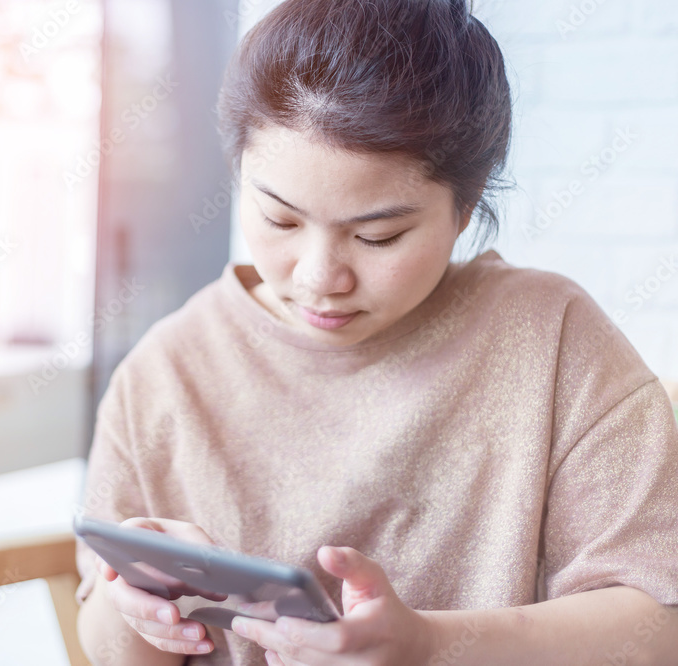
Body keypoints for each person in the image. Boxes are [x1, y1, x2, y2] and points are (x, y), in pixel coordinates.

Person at [74, 0, 678, 664]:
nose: (318, 276)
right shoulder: (166, 371)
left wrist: (430, 646)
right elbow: (108, 648)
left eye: (376, 236)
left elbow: (657, 624)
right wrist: (135, 611)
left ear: (466, 205)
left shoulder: (551, 340)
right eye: (280, 220)